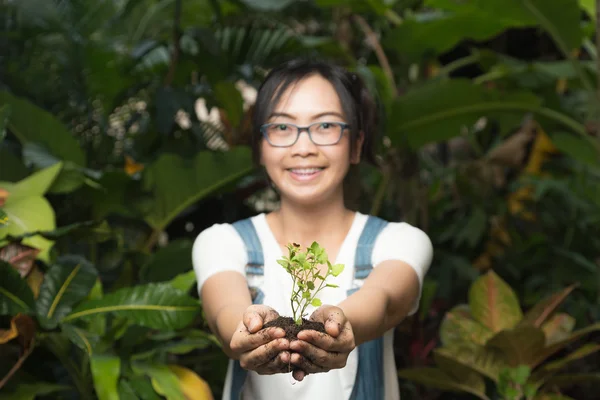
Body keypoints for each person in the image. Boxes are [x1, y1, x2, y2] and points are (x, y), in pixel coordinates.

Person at [192, 58, 433, 400]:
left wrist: (338, 323)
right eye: (282, 128)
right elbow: (224, 316)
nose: (303, 148)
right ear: (260, 147)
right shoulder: (222, 242)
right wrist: (247, 330)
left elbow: (383, 301)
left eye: (325, 127)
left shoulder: (400, 242)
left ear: (357, 145)